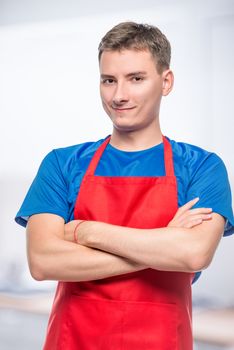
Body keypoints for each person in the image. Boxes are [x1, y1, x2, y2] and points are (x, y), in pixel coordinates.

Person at [15, 21, 234, 349]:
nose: (119, 95)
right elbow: (43, 262)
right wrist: (162, 246)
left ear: (166, 81)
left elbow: (192, 254)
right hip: (74, 340)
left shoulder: (202, 167)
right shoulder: (62, 164)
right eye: (109, 80)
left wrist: (86, 233)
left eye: (136, 79)